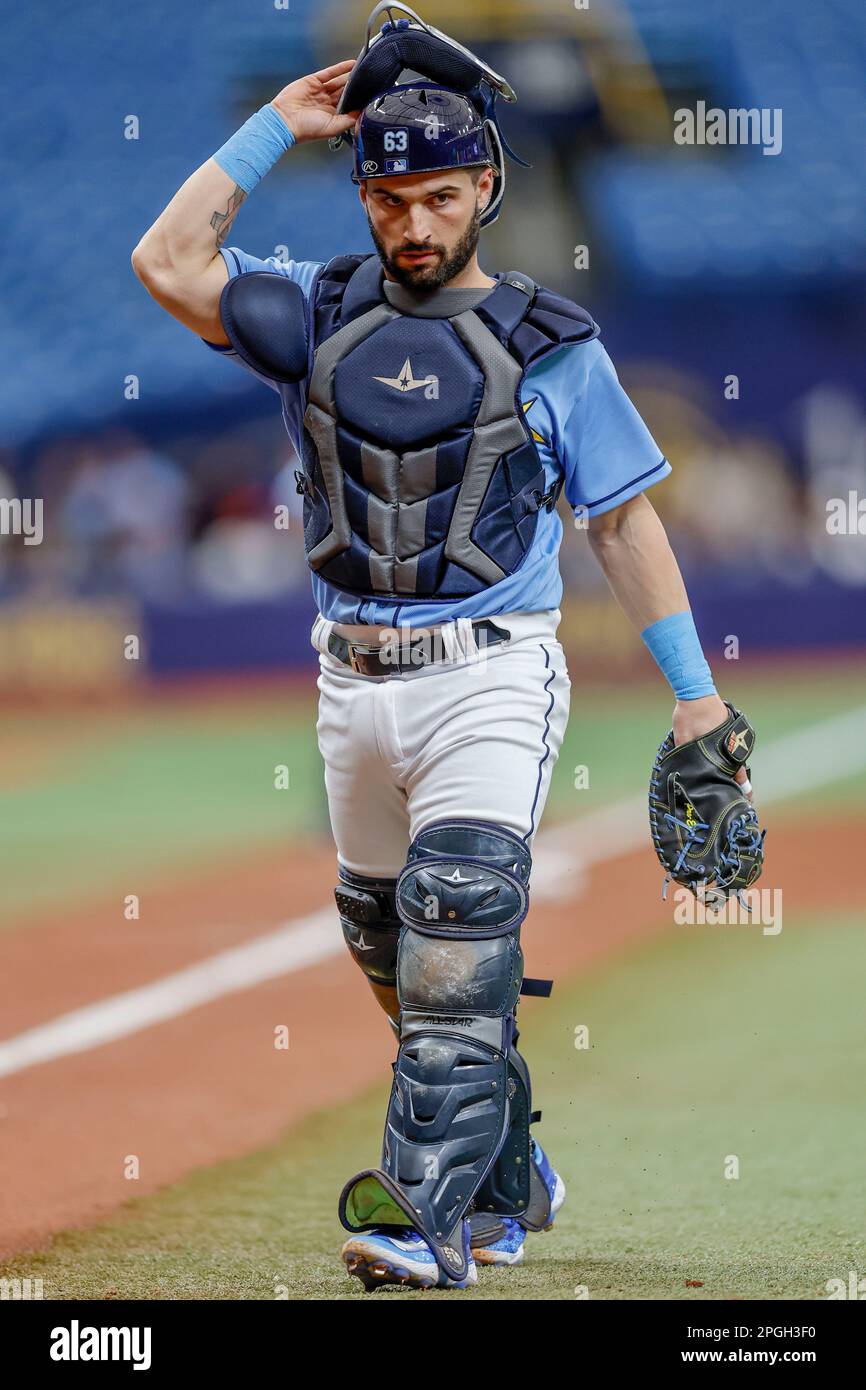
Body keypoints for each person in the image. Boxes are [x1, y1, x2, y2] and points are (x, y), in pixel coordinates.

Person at [132, 9, 750, 1292]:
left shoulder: (547, 341)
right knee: (392, 950)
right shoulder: (312, 311)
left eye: (441, 196)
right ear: (364, 194)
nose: (414, 224)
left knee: (458, 924)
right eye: (390, 197)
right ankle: (505, 1171)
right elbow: (166, 259)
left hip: (490, 672)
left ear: (486, 190)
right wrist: (273, 130)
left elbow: (623, 523)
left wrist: (697, 703)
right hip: (347, 681)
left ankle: (426, 1219)